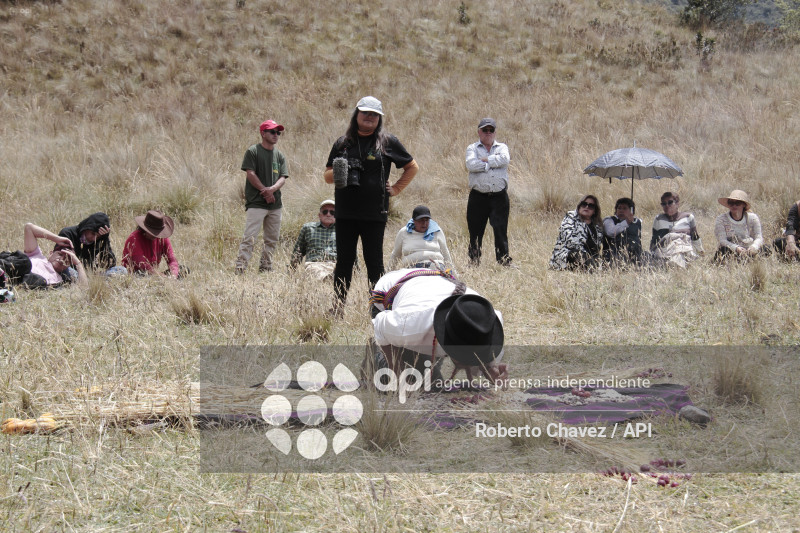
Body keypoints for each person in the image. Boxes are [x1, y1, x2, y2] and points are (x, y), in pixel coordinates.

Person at [323, 96, 418, 313]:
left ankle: (378, 308)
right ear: (356, 114)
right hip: (346, 213)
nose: (369, 117)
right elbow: (326, 176)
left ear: (379, 118)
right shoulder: (342, 143)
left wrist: (395, 189)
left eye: (374, 114)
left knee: (374, 263)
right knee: (344, 262)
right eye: (365, 112)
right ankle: (337, 306)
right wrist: (341, 170)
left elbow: (412, 167)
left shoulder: (387, 142)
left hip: (375, 213)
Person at [367, 268, 508, 389]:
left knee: (431, 379)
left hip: (433, 288)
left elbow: (480, 354)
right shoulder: (412, 324)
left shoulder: (487, 321)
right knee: (408, 380)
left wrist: (491, 369)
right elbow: (379, 325)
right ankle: (375, 357)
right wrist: (398, 374)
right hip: (391, 291)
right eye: (465, 356)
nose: (469, 361)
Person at [235, 119, 289, 274]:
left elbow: (283, 177)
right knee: (250, 237)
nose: (276, 135)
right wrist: (265, 191)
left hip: (275, 204)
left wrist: (271, 190)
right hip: (256, 203)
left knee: (272, 239)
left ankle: (265, 268)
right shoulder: (253, 151)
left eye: (278, 132)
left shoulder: (279, 155)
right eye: (272, 132)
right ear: (263, 133)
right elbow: (250, 173)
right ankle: (240, 268)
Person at [465, 117, 513, 267]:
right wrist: (491, 163)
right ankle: (474, 261)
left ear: (495, 132)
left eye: (491, 130)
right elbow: (471, 164)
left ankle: (503, 260)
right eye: (484, 130)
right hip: (478, 197)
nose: (488, 133)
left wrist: (485, 160)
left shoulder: (502, 147)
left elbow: (505, 159)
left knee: (500, 230)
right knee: (475, 230)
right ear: (479, 132)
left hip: (499, 197)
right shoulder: (472, 148)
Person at [389, 205, 454, 271]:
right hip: (412, 268)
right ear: (414, 221)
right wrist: (387, 274)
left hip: (436, 266)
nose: (424, 223)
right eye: (421, 220)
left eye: (427, 220)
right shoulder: (404, 232)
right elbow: (395, 255)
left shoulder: (437, 231)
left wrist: (453, 275)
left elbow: (445, 253)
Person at [58, 212, 126, 275]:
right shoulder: (68, 233)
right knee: (68, 271)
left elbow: (109, 264)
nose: (94, 238)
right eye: (93, 234)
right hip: (74, 273)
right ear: (87, 227)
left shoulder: (100, 240)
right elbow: (61, 261)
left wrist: (105, 240)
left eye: (98, 236)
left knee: (122, 270)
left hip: (93, 275)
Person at [22, 223, 87, 287]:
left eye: (67, 260)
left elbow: (84, 288)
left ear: (69, 265)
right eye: (60, 254)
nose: (61, 260)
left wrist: (78, 264)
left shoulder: (60, 279)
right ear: (51, 253)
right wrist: (57, 239)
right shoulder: (36, 255)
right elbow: (29, 227)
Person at [122, 210, 183, 278]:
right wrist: (163, 277)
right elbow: (142, 265)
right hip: (136, 273)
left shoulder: (162, 238)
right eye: (153, 232)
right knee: (142, 274)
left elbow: (172, 259)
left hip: (154, 274)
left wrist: (173, 274)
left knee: (182, 269)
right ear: (145, 229)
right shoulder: (134, 238)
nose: (156, 235)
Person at [548, 195, 603, 271]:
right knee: (580, 256)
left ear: (594, 211)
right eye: (584, 204)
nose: (586, 207)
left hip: (591, 257)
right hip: (568, 255)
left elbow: (597, 248)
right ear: (579, 206)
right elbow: (571, 241)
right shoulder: (570, 217)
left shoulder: (597, 226)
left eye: (591, 206)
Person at [650, 192, 704, 268]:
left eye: (670, 202)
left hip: (684, 248)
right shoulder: (659, 219)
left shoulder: (688, 217)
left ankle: (675, 266)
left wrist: (700, 252)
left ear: (677, 203)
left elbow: (695, 237)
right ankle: (677, 267)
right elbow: (655, 240)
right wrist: (652, 253)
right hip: (665, 248)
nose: (667, 206)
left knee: (678, 246)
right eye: (664, 204)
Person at [290, 199, 337, 280]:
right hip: (314, 264)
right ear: (319, 215)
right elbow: (298, 251)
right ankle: (327, 278)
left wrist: (356, 271)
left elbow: (351, 252)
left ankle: (332, 277)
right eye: (325, 212)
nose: (328, 214)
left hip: (335, 264)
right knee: (315, 272)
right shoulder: (308, 228)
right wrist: (291, 270)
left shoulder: (343, 230)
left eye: (332, 212)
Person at [713, 189, 765, 261]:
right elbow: (722, 240)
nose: (734, 205)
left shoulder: (753, 218)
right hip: (732, 250)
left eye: (737, 203)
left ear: (743, 204)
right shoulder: (721, 219)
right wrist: (736, 248)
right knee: (723, 251)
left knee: (766, 249)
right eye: (731, 203)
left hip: (750, 249)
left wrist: (754, 247)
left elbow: (759, 237)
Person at [602, 197, 643, 265]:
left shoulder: (637, 222)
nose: (621, 210)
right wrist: (626, 223)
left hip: (634, 257)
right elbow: (611, 232)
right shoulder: (609, 220)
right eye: (619, 208)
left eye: (625, 208)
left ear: (631, 211)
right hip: (613, 258)